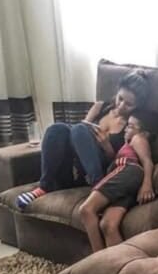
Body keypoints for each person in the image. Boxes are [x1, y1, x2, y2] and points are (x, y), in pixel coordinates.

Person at [16, 69, 150, 210]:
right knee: (57, 129)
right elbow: (78, 134)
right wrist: (87, 124)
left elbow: (121, 162)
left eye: (128, 104)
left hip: (102, 170)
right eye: (120, 98)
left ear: (137, 106)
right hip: (77, 163)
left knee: (79, 129)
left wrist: (106, 145)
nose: (121, 106)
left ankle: (98, 188)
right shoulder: (101, 107)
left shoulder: (130, 124)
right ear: (116, 92)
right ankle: (45, 186)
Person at [78, 109, 158, 253]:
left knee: (86, 210)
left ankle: (98, 260)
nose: (126, 129)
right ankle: (120, 263)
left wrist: (147, 185)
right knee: (108, 225)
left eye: (131, 126)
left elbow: (147, 162)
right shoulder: (129, 142)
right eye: (127, 125)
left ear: (145, 132)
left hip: (127, 172)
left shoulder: (139, 138)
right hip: (128, 181)